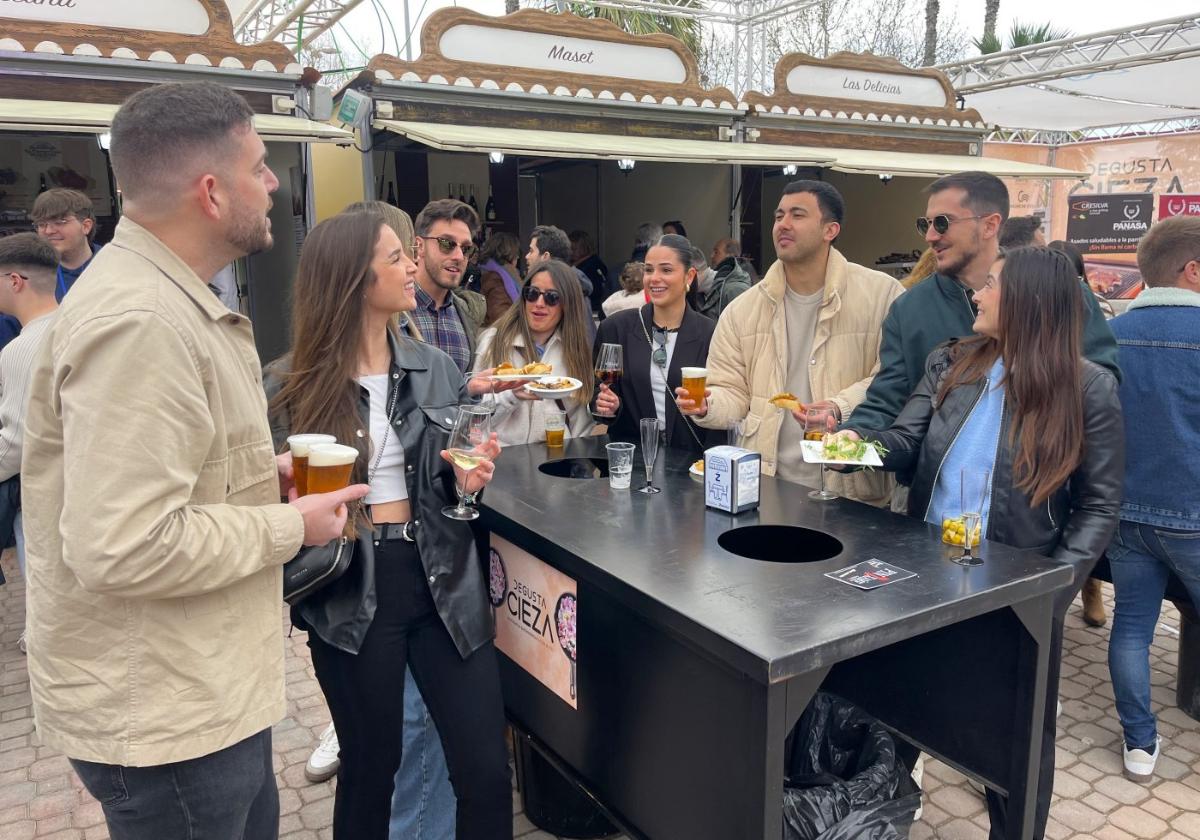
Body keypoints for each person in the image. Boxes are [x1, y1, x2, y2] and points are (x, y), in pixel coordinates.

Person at [21, 81, 364, 839]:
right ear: (212, 191)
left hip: (197, 700)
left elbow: (167, 479)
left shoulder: (166, 299)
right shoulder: (143, 321)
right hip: (167, 717)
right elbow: (124, 543)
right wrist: (288, 525)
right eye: (260, 166)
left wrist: (250, 480)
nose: (273, 183)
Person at [835, 246, 1123, 840]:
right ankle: (883, 813)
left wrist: (1051, 589)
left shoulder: (1088, 388)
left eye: (991, 284)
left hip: (1013, 592)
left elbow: (1099, 505)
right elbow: (905, 440)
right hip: (922, 576)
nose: (977, 292)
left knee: (1013, 743)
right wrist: (848, 447)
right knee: (899, 708)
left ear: (1028, 302)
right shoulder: (951, 362)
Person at [265, 209, 511, 840]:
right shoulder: (288, 385)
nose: (411, 266)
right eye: (396, 257)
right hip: (353, 585)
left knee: (484, 768)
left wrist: (468, 477)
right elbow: (267, 503)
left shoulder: (436, 366)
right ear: (351, 278)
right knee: (373, 767)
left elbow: (451, 468)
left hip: (444, 577)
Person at [845, 172, 1120, 483]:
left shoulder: (1059, 292)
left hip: (1034, 498)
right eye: (925, 224)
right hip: (932, 503)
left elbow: (1099, 385)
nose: (930, 236)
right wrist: (852, 439)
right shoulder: (909, 309)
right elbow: (888, 401)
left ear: (990, 225)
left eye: (942, 223)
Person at [677, 180, 903, 506]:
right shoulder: (744, 308)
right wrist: (707, 405)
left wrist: (839, 406)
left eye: (797, 215)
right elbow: (732, 392)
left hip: (851, 491)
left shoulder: (883, 295)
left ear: (830, 229)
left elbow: (894, 379)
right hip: (768, 484)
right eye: (778, 215)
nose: (783, 224)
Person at [1106, 215, 1200, 784]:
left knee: (1132, 628)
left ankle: (1140, 743)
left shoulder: (1107, 336)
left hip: (1122, 509)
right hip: (1193, 514)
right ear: (1193, 269)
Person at [593, 234, 723, 456]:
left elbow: (725, 399)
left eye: (666, 270)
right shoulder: (616, 328)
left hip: (692, 463)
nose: (654, 278)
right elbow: (598, 393)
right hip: (634, 462)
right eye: (649, 270)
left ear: (689, 276)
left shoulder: (712, 334)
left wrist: (706, 408)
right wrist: (606, 405)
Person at [0, 234, 60, 655]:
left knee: (45, 581)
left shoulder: (22, 348)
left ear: (15, 281)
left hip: (42, 493)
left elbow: (16, 442)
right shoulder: (78, 324)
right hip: (80, 485)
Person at [476, 260, 595, 445]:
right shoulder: (494, 341)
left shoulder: (575, 350)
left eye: (551, 297)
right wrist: (510, 395)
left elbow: (580, 423)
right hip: (502, 462)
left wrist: (579, 462)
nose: (539, 303)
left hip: (556, 462)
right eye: (532, 294)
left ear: (567, 304)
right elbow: (474, 418)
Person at [409, 199, 487, 375]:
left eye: (466, 248)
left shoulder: (467, 313)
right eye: (446, 243)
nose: (459, 256)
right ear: (420, 246)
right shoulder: (394, 311)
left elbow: (460, 392)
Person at [32, 187, 101, 300]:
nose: (49, 231)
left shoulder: (112, 266)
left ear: (86, 226)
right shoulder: (30, 273)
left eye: (59, 222)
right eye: (41, 224)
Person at [526, 223, 593, 299]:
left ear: (545, 256)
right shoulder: (571, 284)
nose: (526, 256)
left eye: (531, 251)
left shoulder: (565, 292)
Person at [698, 237, 752, 320]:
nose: (711, 256)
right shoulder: (720, 283)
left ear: (730, 256)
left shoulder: (736, 288)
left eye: (716, 252)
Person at [478, 231, 522, 327]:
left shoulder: (493, 274)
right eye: (516, 252)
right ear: (508, 253)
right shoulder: (496, 279)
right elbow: (500, 318)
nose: (518, 257)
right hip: (506, 336)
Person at [570, 229, 609, 315]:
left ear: (585, 247)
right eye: (570, 248)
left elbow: (596, 291)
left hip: (592, 310)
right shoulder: (578, 265)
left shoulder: (593, 267)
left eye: (574, 249)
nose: (571, 252)